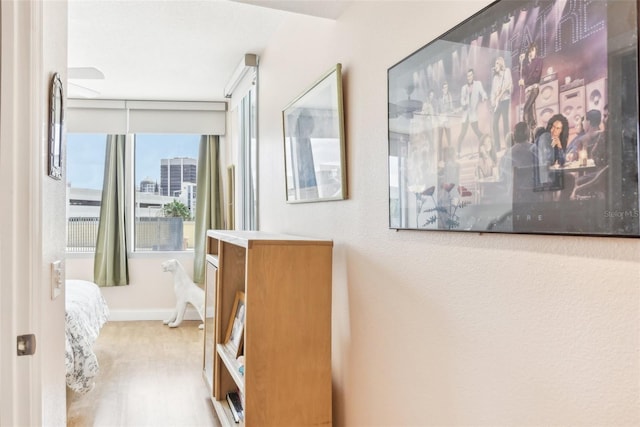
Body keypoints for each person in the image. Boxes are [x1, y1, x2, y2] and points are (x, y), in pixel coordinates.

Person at [456, 68, 488, 157]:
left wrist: (484, 97)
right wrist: (464, 103)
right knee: (462, 133)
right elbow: (461, 99)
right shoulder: (464, 88)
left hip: (473, 113)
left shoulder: (478, 84)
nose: (469, 77)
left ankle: (485, 147)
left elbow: (483, 93)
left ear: (473, 75)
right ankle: (458, 153)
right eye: (468, 76)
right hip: (466, 114)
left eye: (470, 75)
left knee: (477, 132)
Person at [533, 113, 569, 191]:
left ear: (562, 131)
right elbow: (547, 161)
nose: (553, 130)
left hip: (550, 175)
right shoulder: (544, 138)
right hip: (542, 178)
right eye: (552, 126)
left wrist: (559, 146)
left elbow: (562, 162)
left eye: (557, 128)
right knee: (568, 180)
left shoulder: (557, 141)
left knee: (569, 179)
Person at [490, 56, 513, 152]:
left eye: (497, 63)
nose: (496, 65)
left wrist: (502, 92)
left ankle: (508, 145)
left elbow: (509, 85)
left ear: (501, 64)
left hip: (505, 100)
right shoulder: (495, 78)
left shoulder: (507, 71)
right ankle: (497, 147)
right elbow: (493, 91)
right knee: (494, 124)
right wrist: (493, 101)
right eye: (495, 64)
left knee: (505, 122)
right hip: (498, 102)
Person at [519, 43, 543, 133]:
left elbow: (536, 76)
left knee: (526, 109)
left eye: (532, 50)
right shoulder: (527, 63)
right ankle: (532, 129)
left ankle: (525, 131)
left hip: (534, 89)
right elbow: (521, 74)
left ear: (536, 50)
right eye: (530, 51)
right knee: (529, 112)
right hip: (527, 90)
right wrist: (520, 62)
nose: (531, 53)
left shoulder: (539, 61)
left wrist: (524, 82)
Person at [438, 81, 454, 159]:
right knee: (439, 140)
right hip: (441, 121)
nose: (446, 89)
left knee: (449, 140)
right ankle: (440, 157)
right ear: (442, 89)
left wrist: (450, 111)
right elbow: (438, 110)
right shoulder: (440, 98)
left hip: (447, 120)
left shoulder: (449, 97)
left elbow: (451, 107)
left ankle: (450, 157)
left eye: (447, 87)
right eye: (444, 87)